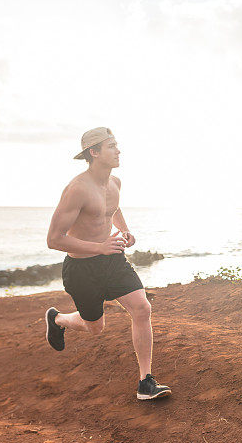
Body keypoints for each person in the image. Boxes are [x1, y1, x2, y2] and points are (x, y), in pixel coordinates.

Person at [44, 127, 171, 401]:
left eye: (117, 145)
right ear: (94, 152)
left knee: (142, 307)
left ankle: (145, 382)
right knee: (95, 328)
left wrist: (124, 230)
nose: (118, 150)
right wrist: (99, 247)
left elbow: (111, 209)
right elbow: (54, 239)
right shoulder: (77, 189)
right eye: (111, 146)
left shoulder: (115, 183)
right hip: (82, 270)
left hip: (112, 261)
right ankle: (57, 319)